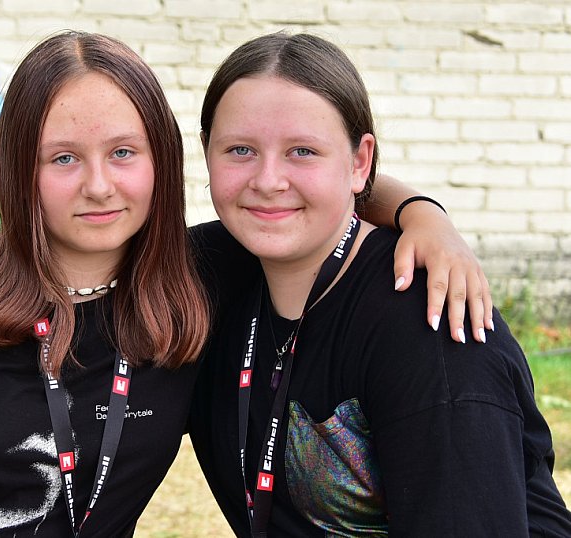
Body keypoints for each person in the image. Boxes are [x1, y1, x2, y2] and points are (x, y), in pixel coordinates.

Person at [0, 32, 488, 537]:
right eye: (63, 158)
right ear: (19, 169)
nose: (98, 185)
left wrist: (423, 216)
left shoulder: (198, 284)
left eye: (123, 152)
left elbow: (313, 184)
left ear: (162, 161)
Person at [187, 32, 571, 536]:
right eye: (240, 150)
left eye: (302, 151)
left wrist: (424, 214)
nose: (268, 180)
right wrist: (420, 209)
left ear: (360, 161)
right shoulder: (204, 275)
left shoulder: (431, 325)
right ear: (207, 153)